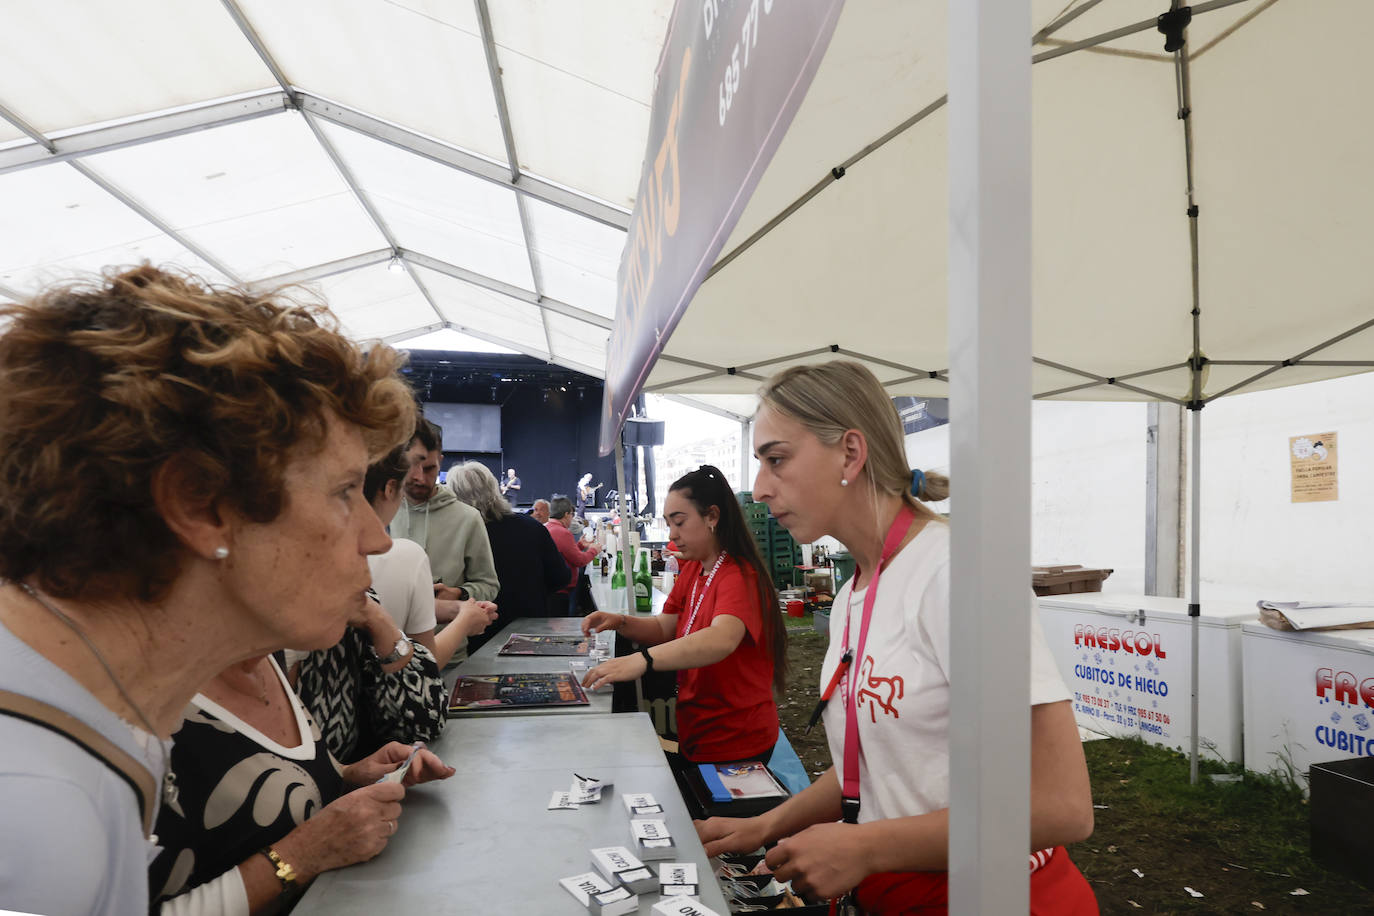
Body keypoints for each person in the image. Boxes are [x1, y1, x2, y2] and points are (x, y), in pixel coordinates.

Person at [0, 265, 415, 914]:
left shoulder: (90, 714)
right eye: (342, 492)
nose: (377, 537)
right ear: (199, 503)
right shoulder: (30, 797)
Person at [697, 361, 1097, 913]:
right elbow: (884, 760)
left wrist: (863, 846)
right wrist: (765, 825)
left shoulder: (960, 573)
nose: (761, 489)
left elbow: (1062, 806)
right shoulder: (852, 595)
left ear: (851, 454)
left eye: (776, 459)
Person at [149, 654, 454, 914]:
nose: (364, 582)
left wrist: (349, 777)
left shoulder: (266, 656)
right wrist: (300, 856)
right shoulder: (134, 703)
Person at [581, 466, 785, 765]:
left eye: (679, 522)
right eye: (669, 523)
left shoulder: (739, 575)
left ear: (712, 517)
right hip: (699, 729)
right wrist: (621, 622)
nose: (673, 534)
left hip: (736, 738)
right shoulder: (694, 566)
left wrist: (643, 660)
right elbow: (666, 626)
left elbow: (721, 638)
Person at [363, 445, 499, 666]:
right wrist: (463, 615)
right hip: (384, 657)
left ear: (440, 462)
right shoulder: (377, 515)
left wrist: (459, 595)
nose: (419, 477)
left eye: (428, 468)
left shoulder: (468, 518)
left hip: (447, 654)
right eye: (411, 467)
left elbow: (488, 583)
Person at [446, 462, 571, 650]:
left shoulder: (452, 534)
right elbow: (561, 577)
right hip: (528, 633)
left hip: (474, 639)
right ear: (494, 489)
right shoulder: (531, 527)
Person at [545, 495, 601, 616]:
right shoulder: (563, 533)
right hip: (559, 591)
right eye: (572, 515)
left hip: (550, 588)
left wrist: (580, 545)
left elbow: (562, 553)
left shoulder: (547, 528)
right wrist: (594, 550)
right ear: (566, 514)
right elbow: (579, 561)